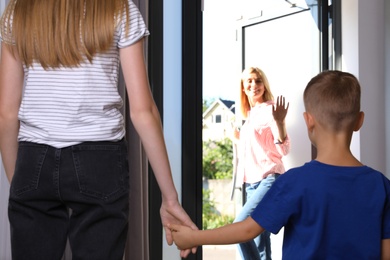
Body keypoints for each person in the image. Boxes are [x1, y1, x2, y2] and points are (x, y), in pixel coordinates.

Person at [0, 0, 197, 259]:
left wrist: (22, 184)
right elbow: (143, 111)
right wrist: (170, 198)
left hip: (33, 159)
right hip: (99, 160)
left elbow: (6, 113)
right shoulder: (119, 8)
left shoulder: (19, 10)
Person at [169, 70, 390, 259]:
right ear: (360, 120)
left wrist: (194, 237)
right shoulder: (382, 185)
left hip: (265, 177)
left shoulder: (295, 182)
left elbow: (247, 230)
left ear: (308, 120)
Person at [232, 67, 290, 260]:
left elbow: (283, 150)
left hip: (268, 179)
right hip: (250, 184)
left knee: (240, 229)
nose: (254, 85)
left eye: (258, 81)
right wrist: (239, 139)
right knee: (260, 244)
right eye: (249, 81)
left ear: (264, 85)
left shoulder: (270, 110)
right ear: (243, 88)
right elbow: (258, 148)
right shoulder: (249, 117)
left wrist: (280, 123)